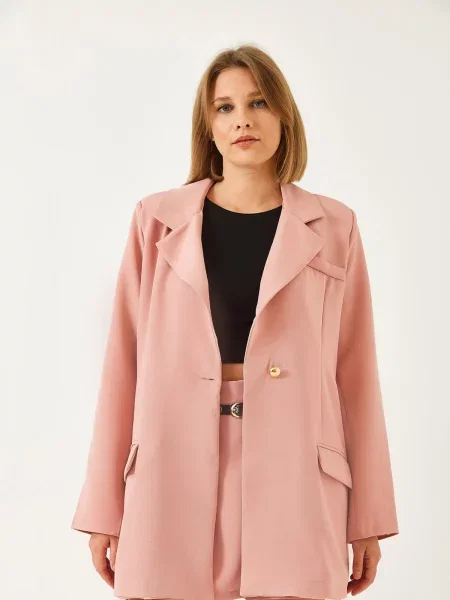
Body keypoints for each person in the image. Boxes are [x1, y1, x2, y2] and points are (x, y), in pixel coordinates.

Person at [71, 44, 399, 600]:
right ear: (209, 126)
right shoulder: (156, 220)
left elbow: (357, 375)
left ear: (284, 115)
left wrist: (369, 517)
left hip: (297, 470)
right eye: (225, 107)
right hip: (172, 464)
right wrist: (104, 507)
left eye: (259, 102)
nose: (242, 119)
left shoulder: (334, 226)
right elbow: (123, 365)